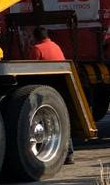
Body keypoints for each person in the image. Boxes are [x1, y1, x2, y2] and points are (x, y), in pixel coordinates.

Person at [26, 26, 74, 164]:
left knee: (46, 122)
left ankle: (47, 150)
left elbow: (31, 71)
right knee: (62, 121)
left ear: (35, 37)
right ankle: (69, 154)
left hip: (45, 90)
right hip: (61, 88)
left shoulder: (37, 49)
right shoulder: (56, 46)